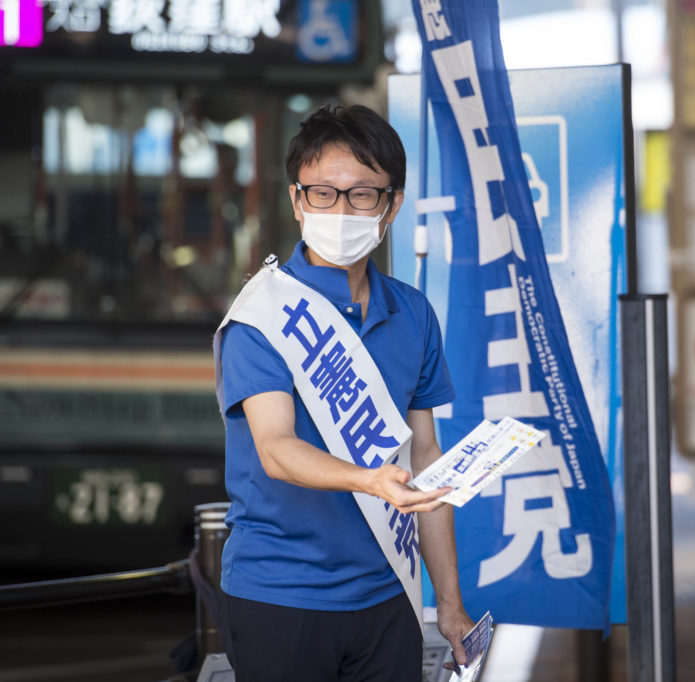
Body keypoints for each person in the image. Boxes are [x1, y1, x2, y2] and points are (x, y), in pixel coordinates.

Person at [213, 103, 475, 681]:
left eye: (361, 195)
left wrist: (450, 605)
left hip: (388, 595)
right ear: (297, 200)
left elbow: (424, 458)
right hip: (280, 594)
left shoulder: (412, 312)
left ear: (391, 206)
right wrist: (370, 479)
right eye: (323, 194)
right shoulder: (263, 315)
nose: (340, 210)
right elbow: (276, 449)